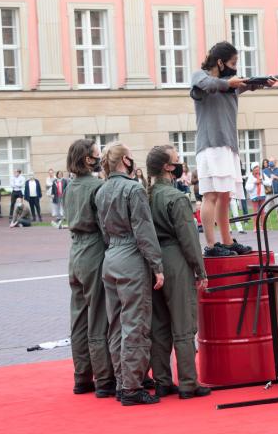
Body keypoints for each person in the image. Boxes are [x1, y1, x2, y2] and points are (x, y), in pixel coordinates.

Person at [95, 142, 164, 406]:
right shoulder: (133, 189)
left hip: (110, 256)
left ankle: (123, 383)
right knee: (135, 322)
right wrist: (157, 266)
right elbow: (144, 231)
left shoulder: (101, 191)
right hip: (131, 256)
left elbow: (104, 229)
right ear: (125, 160)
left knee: (116, 325)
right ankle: (132, 387)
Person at [191, 41, 274, 257]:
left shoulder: (229, 84)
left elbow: (245, 84)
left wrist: (263, 82)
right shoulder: (200, 77)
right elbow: (210, 84)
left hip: (228, 146)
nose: (235, 67)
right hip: (211, 146)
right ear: (220, 62)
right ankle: (210, 245)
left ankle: (227, 242)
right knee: (210, 195)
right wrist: (232, 83)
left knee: (225, 195)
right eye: (233, 62)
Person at [146, 145, 212, 400]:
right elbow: (189, 239)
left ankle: (162, 381)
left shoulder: (145, 195)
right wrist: (200, 269)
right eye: (176, 160)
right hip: (175, 259)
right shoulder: (176, 198)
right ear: (167, 167)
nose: (180, 162)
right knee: (184, 325)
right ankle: (187, 382)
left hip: (152, 261)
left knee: (159, 325)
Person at [63, 139, 115, 399]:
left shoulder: (69, 187)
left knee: (79, 316)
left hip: (75, 252)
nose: (99, 158)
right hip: (93, 248)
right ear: (87, 160)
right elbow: (105, 226)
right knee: (98, 316)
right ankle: (104, 378)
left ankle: (82, 376)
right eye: (96, 155)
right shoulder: (97, 187)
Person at [244, 162, 271, 232]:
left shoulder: (262, 174)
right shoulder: (250, 177)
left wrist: (262, 182)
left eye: (258, 167)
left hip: (262, 195)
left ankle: (263, 227)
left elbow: (269, 182)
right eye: (255, 168)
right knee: (255, 213)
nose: (257, 169)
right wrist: (254, 183)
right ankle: (256, 227)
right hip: (254, 196)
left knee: (262, 212)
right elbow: (247, 187)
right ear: (252, 169)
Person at [264, 157, 278, 227]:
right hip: (268, 192)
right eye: (270, 161)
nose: (271, 163)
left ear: (275, 162)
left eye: (272, 161)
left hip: (277, 192)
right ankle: (266, 223)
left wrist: (276, 177)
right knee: (266, 209)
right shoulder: (265, 171)